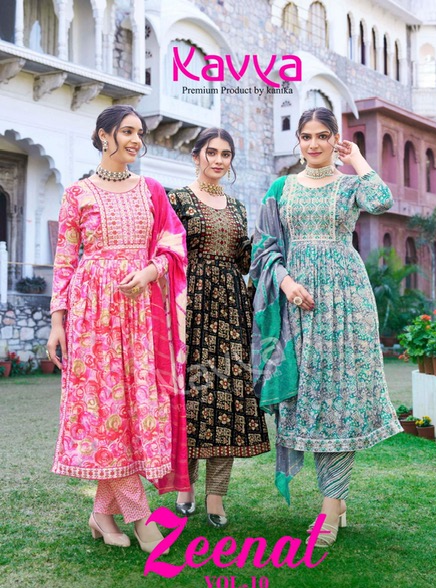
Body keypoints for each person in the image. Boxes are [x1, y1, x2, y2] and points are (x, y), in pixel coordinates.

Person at [250, 107, 401, 547]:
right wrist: (286, 282)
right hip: (297, 303)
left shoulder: (350, 185)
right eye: (306, 136)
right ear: (298, 141)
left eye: (322, 136)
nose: (313, 144)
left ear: (336, 139)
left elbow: (382, 201)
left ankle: (330, 510)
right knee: (309, 400)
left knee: (340, 400)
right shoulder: (282, 188)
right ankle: (337, 500)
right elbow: (263, 247)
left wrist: (358, 160)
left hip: (346, 302)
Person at [47, 105, 189, 552]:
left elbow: (173, 244)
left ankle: (101, 515)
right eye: (127, 131)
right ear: (104, 135)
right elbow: (65, 259)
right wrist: (57, 321)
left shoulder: (151, 190)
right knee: (104, 411)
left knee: (132, 410)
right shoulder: (78, 193)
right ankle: (141, 518)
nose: (135, 140)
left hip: (140, 312)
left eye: (139, 133)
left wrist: (149, 272)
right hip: (92, 315)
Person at [168, 128, 270, 528]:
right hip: (190, 309)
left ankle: (216, 497)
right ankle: (186, 487)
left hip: (230, 311)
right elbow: (167, 254)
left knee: (226, 398)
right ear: (196, 155)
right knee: (191, 396)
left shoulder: (238, 207)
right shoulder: (177, 200)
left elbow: (245, 261)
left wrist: (265, 239)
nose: (218, 160)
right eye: (211, 152)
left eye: (225, 154)